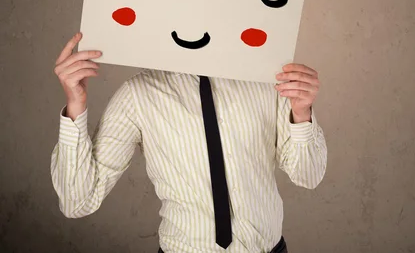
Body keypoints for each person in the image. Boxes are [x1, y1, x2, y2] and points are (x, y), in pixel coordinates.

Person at [51, 32, 327, 253]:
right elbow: (77, 200)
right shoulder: (138, 94)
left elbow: (309, 175)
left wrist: (301, 112)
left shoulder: (268, 80)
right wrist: (76, 104)